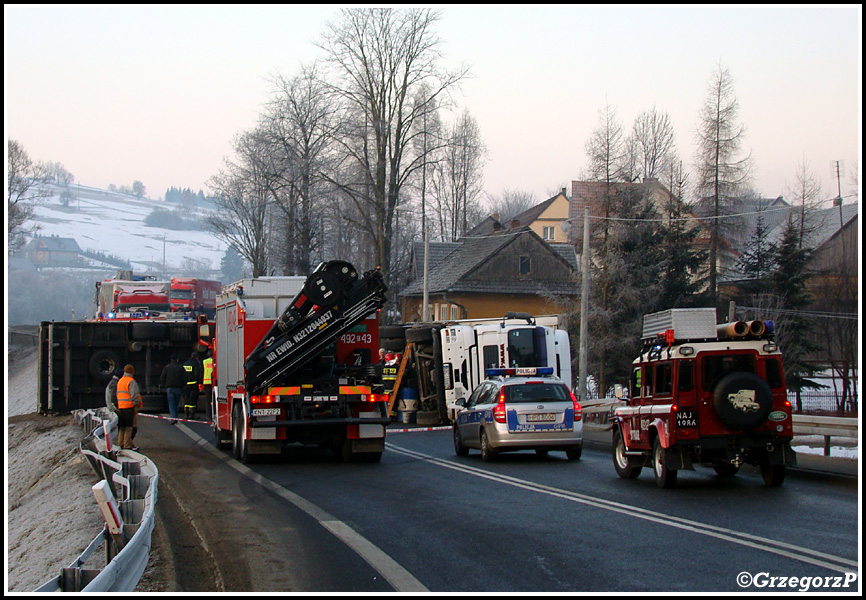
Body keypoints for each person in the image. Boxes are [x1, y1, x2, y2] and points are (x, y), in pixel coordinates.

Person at [116, 364, 142, 450]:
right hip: (129, 406)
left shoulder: (120, 381)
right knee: (129, 427)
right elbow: (134, 394)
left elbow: (117, 394)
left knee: (122, 427)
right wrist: (136, 404)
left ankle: (120, 444)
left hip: (121, 406)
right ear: (132, 371)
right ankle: (127, 446)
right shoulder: (131, 381)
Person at [160, 353, 185, 421]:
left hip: (170, 388)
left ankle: (173, 417)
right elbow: (185, 377)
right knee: (176, 403)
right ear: (177, 359)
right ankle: (175, 416)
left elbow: (162, 377)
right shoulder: (180, 367)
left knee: (171, 403)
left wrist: (164, 384)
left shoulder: (167, 367)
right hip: (178, 388)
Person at [182, 351, 202, 420]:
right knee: (192, 400)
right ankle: (192, 414)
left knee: (186, 399)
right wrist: (199, 382)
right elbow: (197, 374)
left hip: (185, 384)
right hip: (193, 384)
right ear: (196, 357)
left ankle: (186, 414)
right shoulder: (196, 364)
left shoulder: (185, 363)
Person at [201, 350, 214, 419]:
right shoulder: (215, 361)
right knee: (214, 400)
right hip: (213, 383)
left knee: (208, 400)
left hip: (206, 383)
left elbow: (202, 372)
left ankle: (208, 415)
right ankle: (214, 414)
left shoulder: (204, 361)